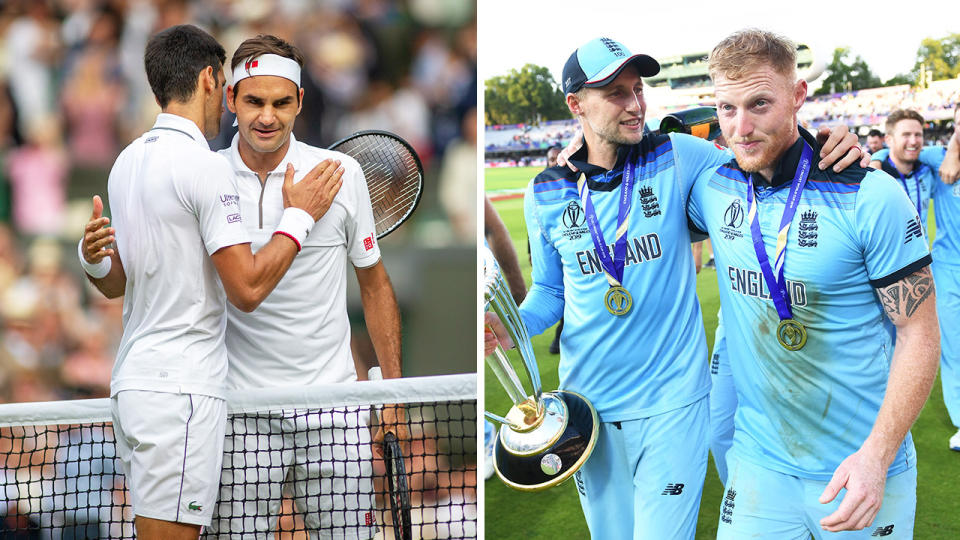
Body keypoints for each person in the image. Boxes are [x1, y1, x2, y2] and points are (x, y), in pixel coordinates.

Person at [484, 36, 861, 539]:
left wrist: (826, 140)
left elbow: (761, 150)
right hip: (585, 409)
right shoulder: (545, 191)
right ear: (575, 105)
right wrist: (509, 328)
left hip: (674, 402)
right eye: (615, 93)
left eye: (637, 89)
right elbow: (552, 292)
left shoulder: (680, 155)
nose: (635, 103)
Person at [84, 34, 406, 538]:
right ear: (229, 96)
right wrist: (97, 263)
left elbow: (376, 284)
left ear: (301, 102)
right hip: (239, 414)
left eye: (281, 102)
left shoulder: (341, 174)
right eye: (254, 101)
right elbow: (231, 289)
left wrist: (391, 392)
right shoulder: (202, 173)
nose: (267, 116)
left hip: (334, 409)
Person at [686, 29, 940, 537]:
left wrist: (877, 455)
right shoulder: (713, 186)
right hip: (760, 464)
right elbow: (627, 159)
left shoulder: (869, 194)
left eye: (760, 103)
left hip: (861, 465)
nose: (741, 127)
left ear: (798, 96)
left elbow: (920, 333)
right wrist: (581, 141)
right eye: (727, 108)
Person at [870, 106, 960, 452]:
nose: (914, 141)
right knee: (909, 344)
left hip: (918, 268)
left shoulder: (932, 161)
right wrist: (878, 156)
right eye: (906, 135)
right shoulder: (928, 161)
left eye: (917, 134)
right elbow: (890, 150)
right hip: (932, 269)